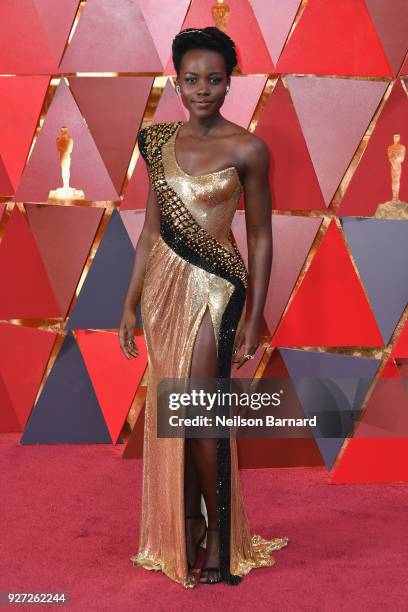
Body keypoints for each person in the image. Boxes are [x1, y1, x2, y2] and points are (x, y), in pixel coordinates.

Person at [119, 26, 288, 588]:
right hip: (164, 291)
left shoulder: (248, 148)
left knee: (196, 414)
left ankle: (220, 535)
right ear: (177, 82)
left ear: (228, 82)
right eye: (192, 79)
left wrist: (253, 315)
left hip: (217, 290)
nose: (203, 90)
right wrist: (129, 303)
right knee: (176, 419)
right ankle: (185, 524)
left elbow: (261, 236)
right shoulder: (157, 139)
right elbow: (148, 231)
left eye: (214, 79)